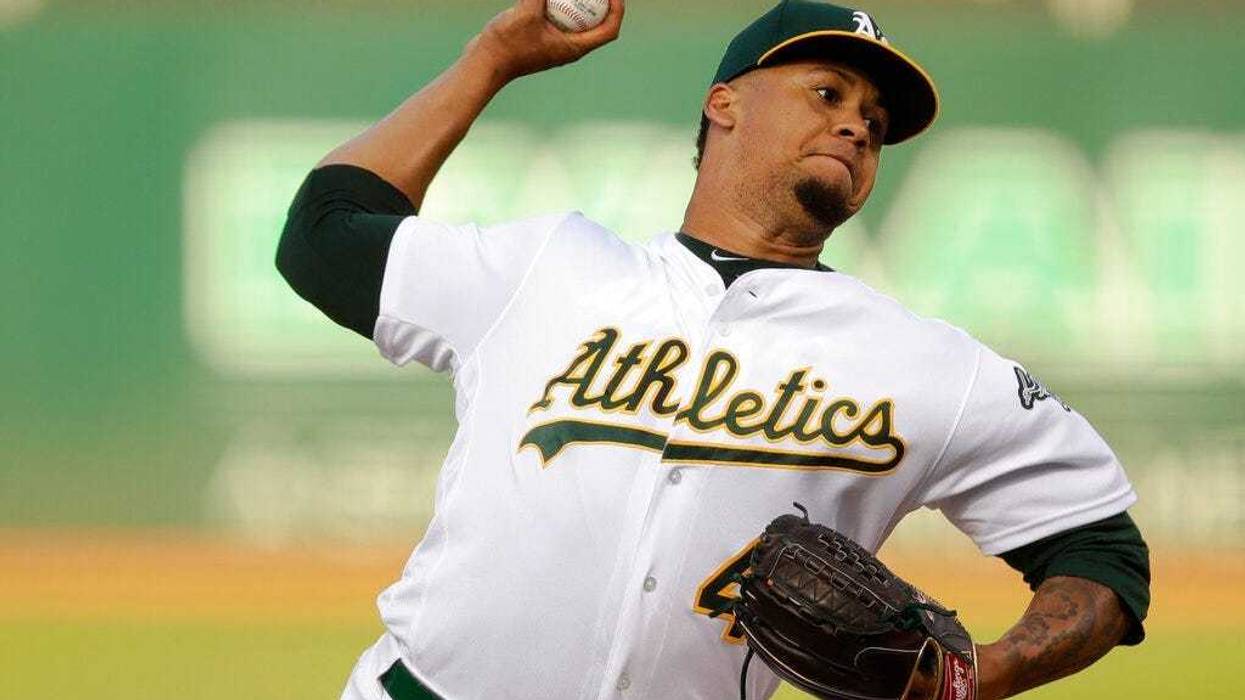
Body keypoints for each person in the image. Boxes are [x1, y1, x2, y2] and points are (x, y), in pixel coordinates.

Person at [276, 1, 1150, 698]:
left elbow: (1101, 552)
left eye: (875, 122)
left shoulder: (926, 366)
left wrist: (982, 674)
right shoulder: (548, 268)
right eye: (827, 92)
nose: (855, 126)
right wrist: (493, 59)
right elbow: (323, 236)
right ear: (722, 101)